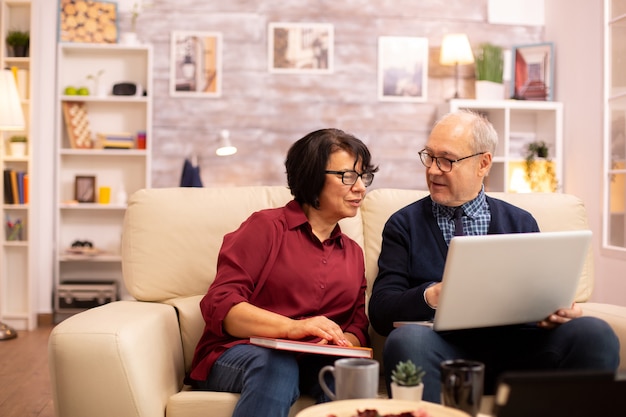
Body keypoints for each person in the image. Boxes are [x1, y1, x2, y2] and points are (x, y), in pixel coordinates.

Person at [368, 110, 620, 403]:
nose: (433, 169)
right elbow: (381, 312)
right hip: (445, 352)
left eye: (447, 160)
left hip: (521, 351)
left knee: (594, 332)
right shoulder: (403, 225)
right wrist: (433, 295)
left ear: (483, 163)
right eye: (429, 156)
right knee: (406, 341)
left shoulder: (520, 222)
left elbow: (541, 296)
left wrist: (557, 312)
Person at [188, 128, 378, 417]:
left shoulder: (352, 253)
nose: (361, 187)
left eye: (363, 176)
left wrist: (339, 342)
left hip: (314, 360)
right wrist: (293, 328)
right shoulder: (265, 228)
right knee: (278, 363)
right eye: (347, 176)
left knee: (348, 373)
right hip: (241, 353)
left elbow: (356, 327)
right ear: (313, 178)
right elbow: (221, 304)